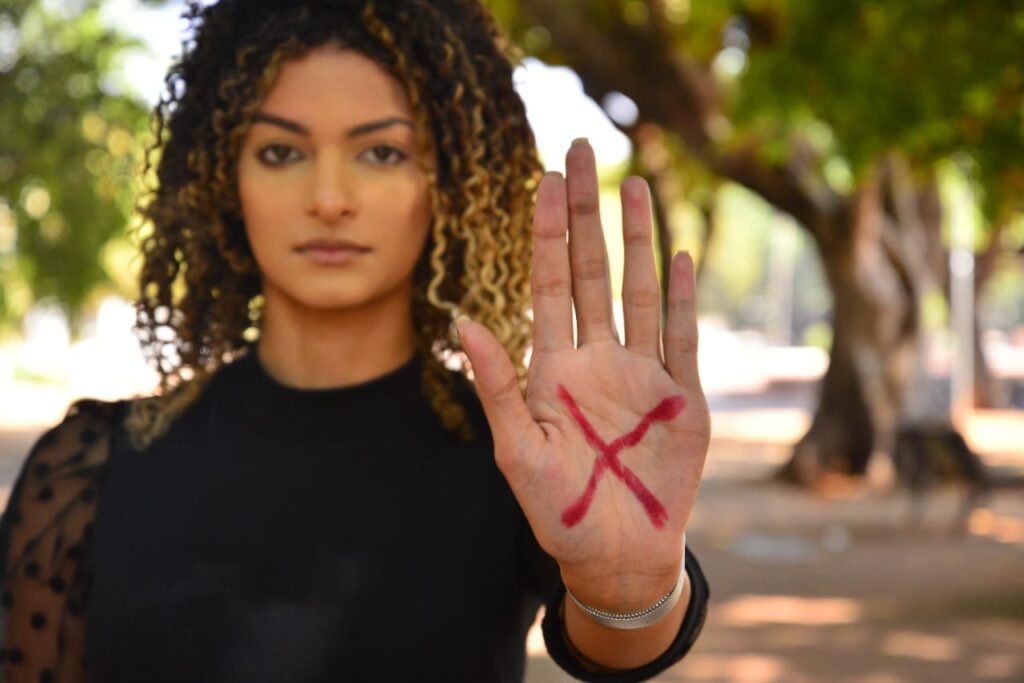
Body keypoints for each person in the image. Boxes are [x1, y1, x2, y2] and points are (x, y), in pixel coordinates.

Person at [0, 0, 711, 680]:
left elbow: (616, 648)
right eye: (281, 151)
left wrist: (628, 587)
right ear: (223, 178)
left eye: (380, 152)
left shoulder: (524, 458)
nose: (330, 198)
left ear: (452, 182)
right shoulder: (88, 471)